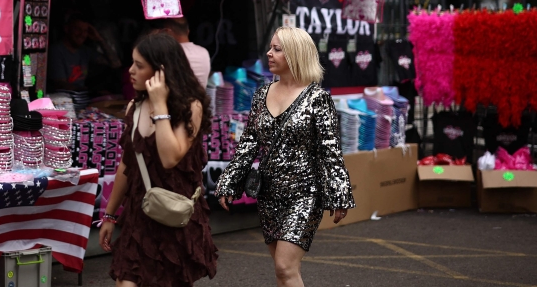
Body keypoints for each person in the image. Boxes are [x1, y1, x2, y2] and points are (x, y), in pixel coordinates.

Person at [215, 27, 354, 287]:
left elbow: (330, 149)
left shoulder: (318, 99)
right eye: (270, 47)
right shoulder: (261, 94)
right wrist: (229, 182)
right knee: (283, 272)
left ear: (295, 54)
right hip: (269, 193)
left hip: (304, 193)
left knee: (285, 266)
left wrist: (339, 194)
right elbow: (248, 143)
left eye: (277, 49)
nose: (269, 53)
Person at [99, 33, 218, 286]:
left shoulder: (190, 107)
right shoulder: (134, 107)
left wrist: (160, 106)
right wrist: (109, 216)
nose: (130, 71)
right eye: (132, 63)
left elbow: (169, 158)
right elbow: (126, 165)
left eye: (139, 65)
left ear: (160, 72)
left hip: (174, 218)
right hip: (140, 215)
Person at [47, 12, 120, 93]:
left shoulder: (85, 51)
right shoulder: (56, 51)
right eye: (78, 29)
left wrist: (99, 39)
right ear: (66, 29)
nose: (82, 34)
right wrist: (93, 93)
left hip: (82, 98)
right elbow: (61, 85)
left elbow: (116, 64)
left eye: (85, 31)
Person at [155, 17, 211, 88]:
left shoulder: (167, 53)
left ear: (168, 32)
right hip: (200, 98)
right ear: (187, 31)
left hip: (175, 99)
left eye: (162, 31)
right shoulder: (204, 52)